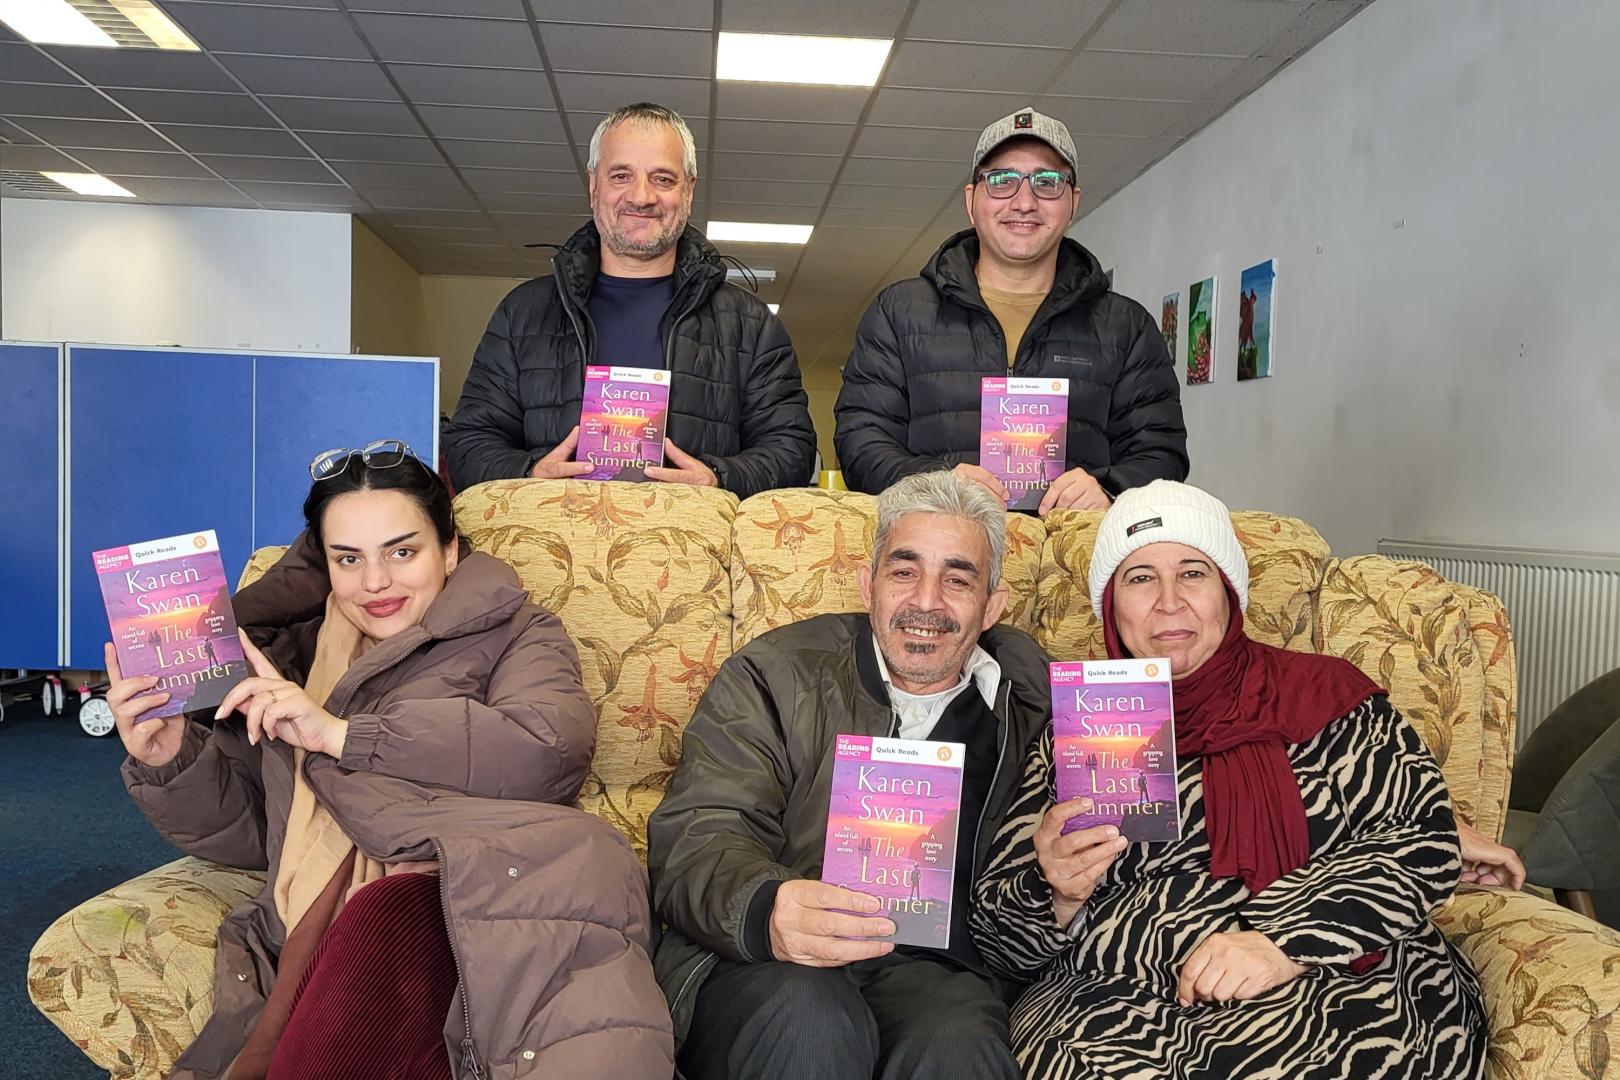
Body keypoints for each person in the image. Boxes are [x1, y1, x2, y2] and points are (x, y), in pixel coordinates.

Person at [105, 439, 672, 1079]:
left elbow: (546, 750)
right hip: (320, 919)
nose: (375, 583)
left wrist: (342, 736)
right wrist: (171, 757)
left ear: (450, 550)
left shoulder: (518, 629)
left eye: (402, 552)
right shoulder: (297, 656)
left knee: (379, 926)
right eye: (349, 559)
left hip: (472, 880)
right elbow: (267, 835)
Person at [969, 480, 1487, 1078]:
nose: (1168, 602)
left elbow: (1423, 838)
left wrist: (1281, 940)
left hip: (1340, 977)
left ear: (1229, 593)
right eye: (1139, 578)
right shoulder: (1074, 729)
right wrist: (1055, 890)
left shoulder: (1324, 696)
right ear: (1111, 606)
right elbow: (999, 939)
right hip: (1115, 1001)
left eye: (1192, 573)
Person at [648, 470, 1052, 1079]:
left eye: (958, 579)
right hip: (765, 956)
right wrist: (767, 908)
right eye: (904, 570)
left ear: (992, 606)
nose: (926, 602)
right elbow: (698, 830)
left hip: (929, 966)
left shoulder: (1032, 698)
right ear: (868, 584)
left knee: (958, 1037)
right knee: (809, 1013)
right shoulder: (775, 673)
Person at [443, 102, 816, 498]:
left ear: (688, 191)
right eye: (621, 175)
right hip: (551, 553)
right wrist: (532, 474)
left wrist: (718, 479)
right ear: (593, 186)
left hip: (691, 552)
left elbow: (792, 448)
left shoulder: (750, 324)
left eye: (663, 179)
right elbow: (467, 443)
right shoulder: (523, 313)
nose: (641, 196)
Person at [833, 107, 1187, 513]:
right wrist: (938, 482)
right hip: (943, 553)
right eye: (1001, 181)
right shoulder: (899, 313)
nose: (1024, 202)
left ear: (1073, 202)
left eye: (1047, 182)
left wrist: (1109, 489)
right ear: (971, 201)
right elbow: (860, 441)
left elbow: (1163, 451)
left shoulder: (1127, 328)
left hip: (1074, 558)